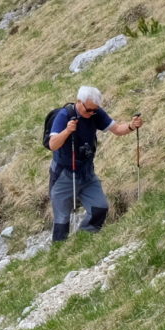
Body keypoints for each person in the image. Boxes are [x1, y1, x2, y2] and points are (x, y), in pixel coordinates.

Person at [46, 84, 143, 241]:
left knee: (100, 208)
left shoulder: (95, 112)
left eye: (94, 110)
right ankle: (58, 254)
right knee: (62, 220)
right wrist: (67, 131)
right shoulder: (64, 116)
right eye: (88, 110)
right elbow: (53, 144)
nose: (91, 113)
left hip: (86, 173)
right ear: (79, 101)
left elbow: (117, 129)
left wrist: (132, 126)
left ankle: (82, 241)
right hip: (63, 175)